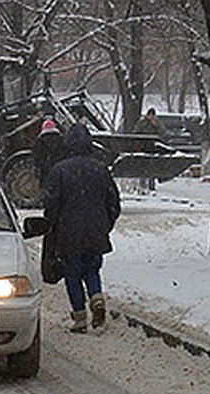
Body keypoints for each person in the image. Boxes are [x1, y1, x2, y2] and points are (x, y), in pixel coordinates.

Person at [43, 123, 121, 333]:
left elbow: (52, 205)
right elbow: (114, 203)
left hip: (69, 234)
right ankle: (97, 298)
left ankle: (79, 317)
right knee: (92, 269)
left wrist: (54, 226)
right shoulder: (101, 169)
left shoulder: (59, 170)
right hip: (95, 232)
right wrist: (105, 225)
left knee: (73, 274)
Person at [132, 108, 167, 192]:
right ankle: (142, 183)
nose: (151, 117)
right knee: (143, 166)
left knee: (152, 167)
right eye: (150, 115)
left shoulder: (158, 123)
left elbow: (163, 133)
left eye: (153, 115)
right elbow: (136, 132)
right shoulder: (142, 122)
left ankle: (152, 185)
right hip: (143, 147)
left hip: (153, 147)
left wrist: (156, 125)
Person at [33, 118, 64, 190]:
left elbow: (37, 158)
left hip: (46, 172)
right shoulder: (61, 140)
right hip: (60, 171)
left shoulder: (39, 142)